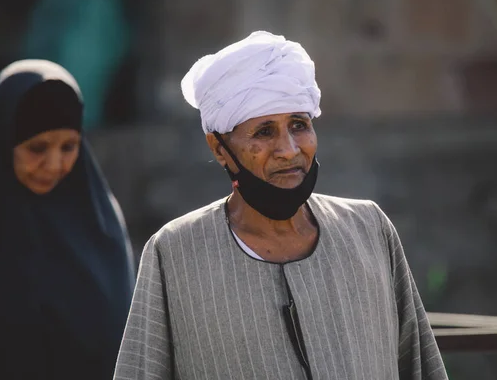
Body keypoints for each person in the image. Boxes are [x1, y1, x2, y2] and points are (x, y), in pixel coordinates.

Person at [114, 31, 448, 380]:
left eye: (299, 125)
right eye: (263, 132)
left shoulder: (369, 229)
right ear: (218, 148)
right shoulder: (175, 251)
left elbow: (419, 366)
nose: (288, 149)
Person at [0, 59, 136, 379]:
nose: (54, 165)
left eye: (69, 147)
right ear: (2, 140)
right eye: (37, 148)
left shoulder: (100, 226)